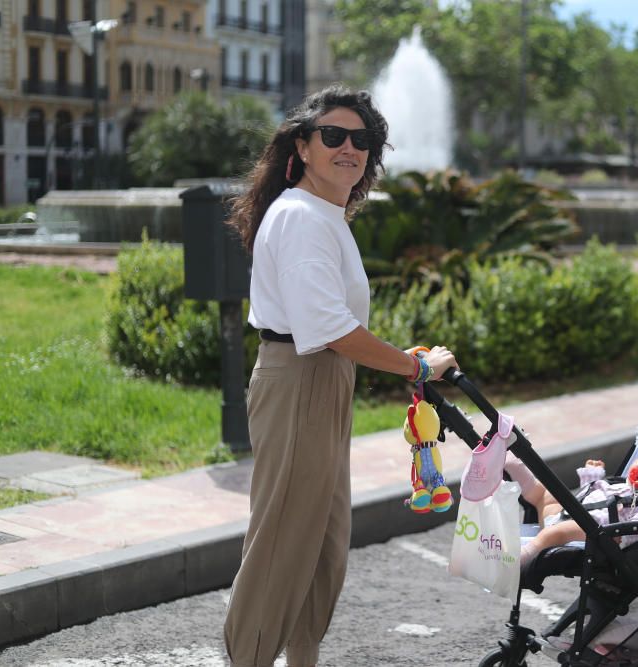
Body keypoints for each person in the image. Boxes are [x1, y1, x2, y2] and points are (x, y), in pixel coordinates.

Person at [223, 85, 459, 667]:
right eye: (333, 135)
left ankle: (302, 659)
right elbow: (329, 328)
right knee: (283, 543)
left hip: (322, 380)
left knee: (321, 545)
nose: (349, 148)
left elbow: (335, 327)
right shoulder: (302, 217)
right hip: (300, 379)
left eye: (363, 139)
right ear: (302, 145)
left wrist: (397, 359)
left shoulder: (323, 215)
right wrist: (415, 365)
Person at [504, 441, 638, 567]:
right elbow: (588, 496)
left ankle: (520, 559)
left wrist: (622, 533)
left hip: (594, 535)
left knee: (556, 531)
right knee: (545, 495)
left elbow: (636, 531)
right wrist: (592, 478)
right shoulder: (618, 484)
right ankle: (514, 465)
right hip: (568, 516)